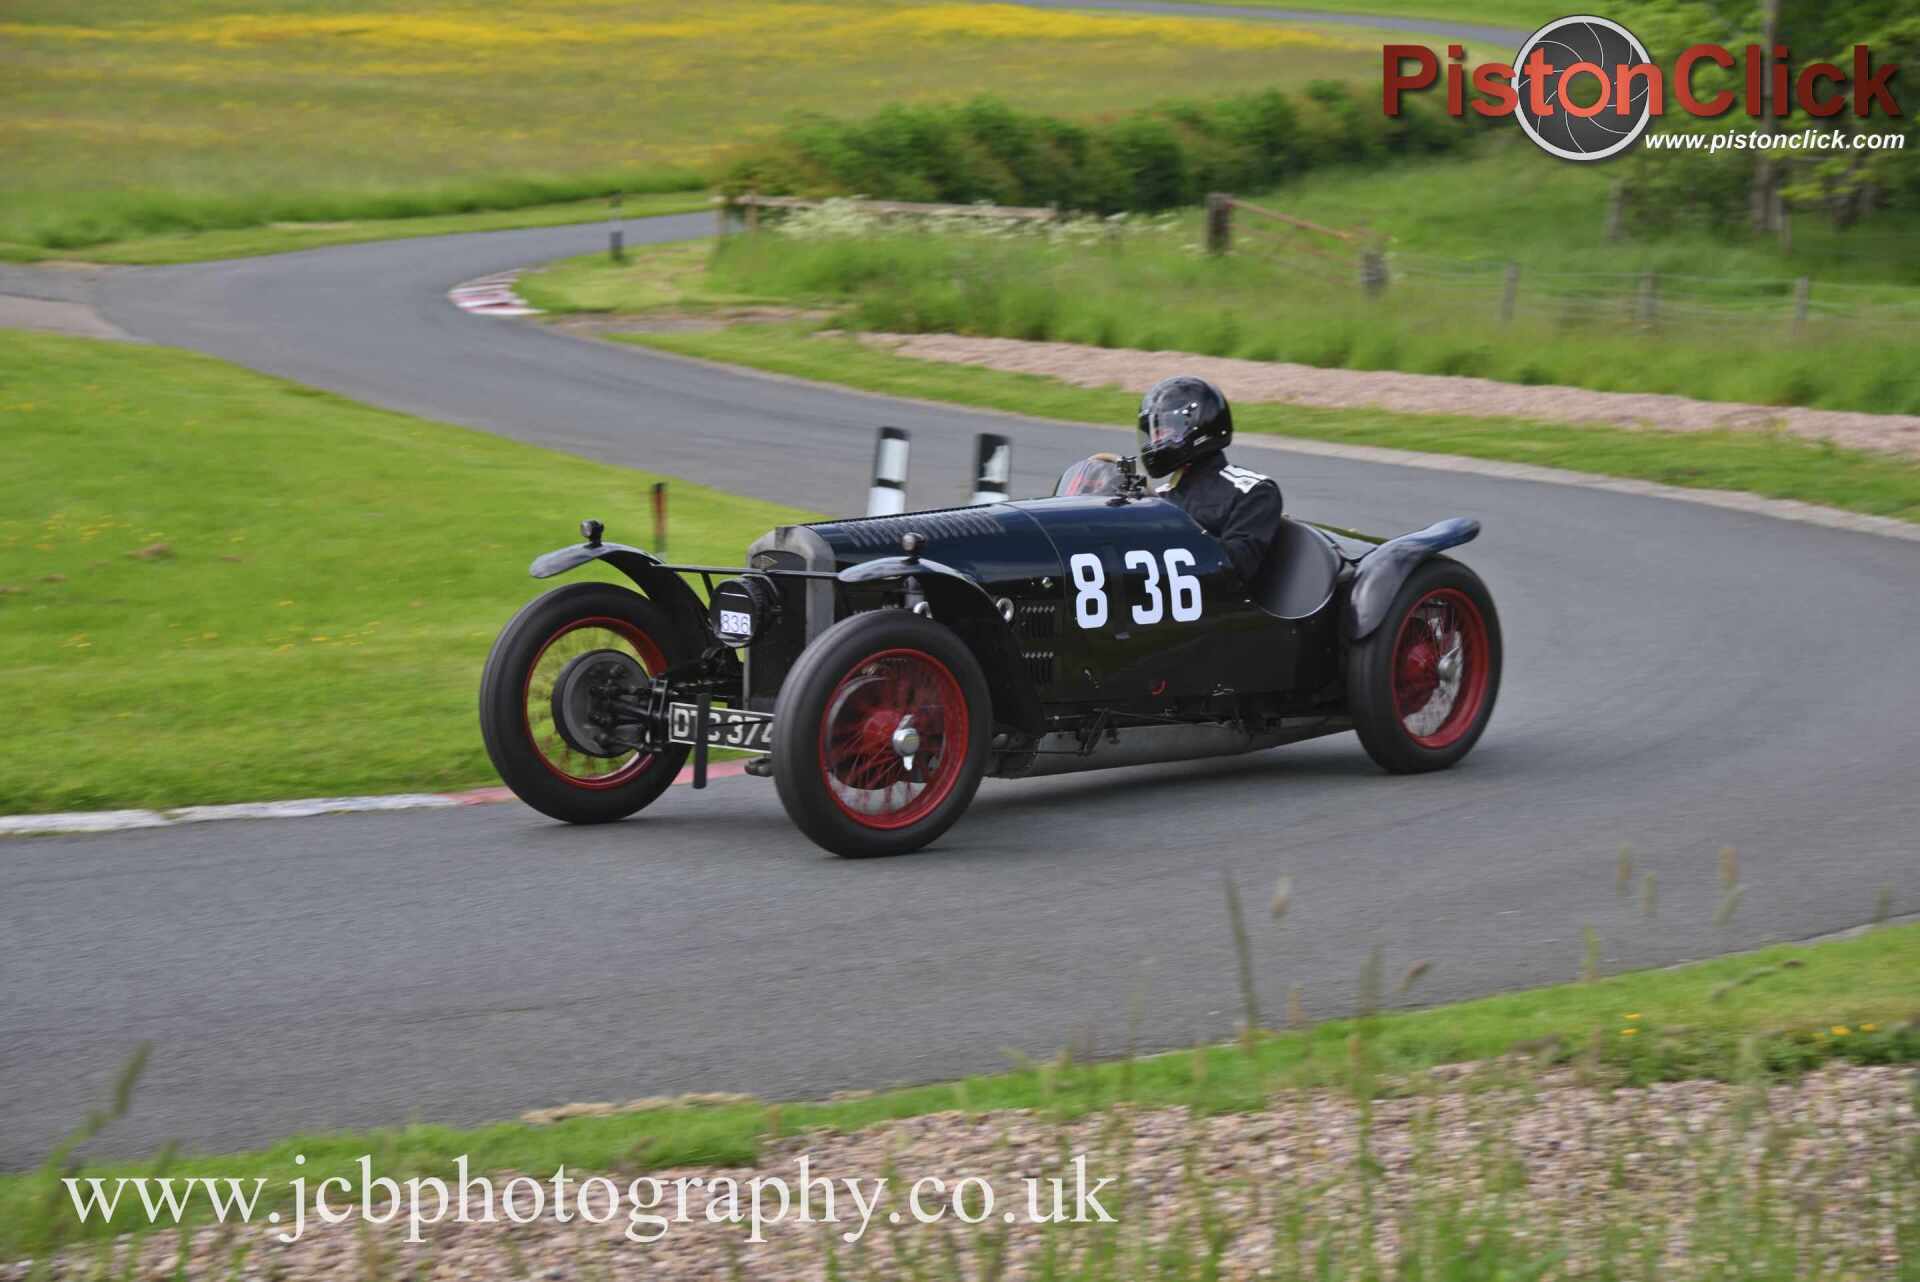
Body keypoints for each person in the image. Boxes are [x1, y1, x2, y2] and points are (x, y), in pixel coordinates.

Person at [1136, 375, 1283, 583]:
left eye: (1165, 431)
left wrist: (1174, 527)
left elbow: (1234, 568)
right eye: (1154, 433)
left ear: (1197, 427)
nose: (1156, 441)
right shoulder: (1159, 498)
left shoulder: (1253, 491)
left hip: (1219, 599)